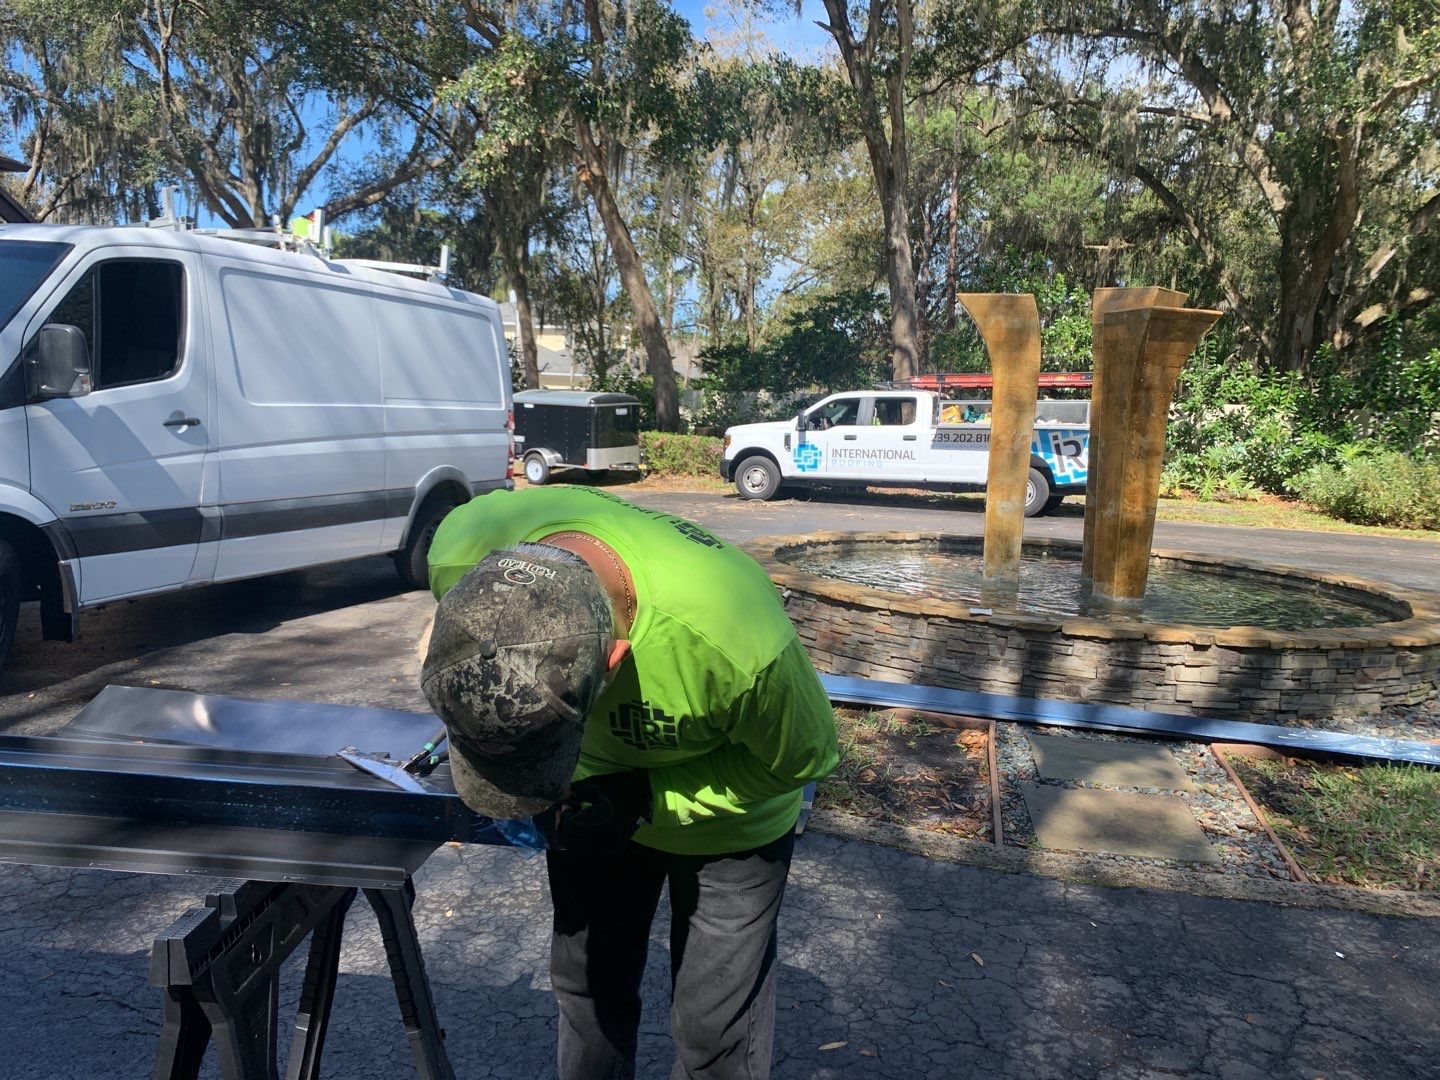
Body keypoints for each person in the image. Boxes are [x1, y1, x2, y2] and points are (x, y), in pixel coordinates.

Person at [419, 485, 839, 1080]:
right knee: (589, 994)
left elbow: (802, 759)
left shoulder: (734, 638)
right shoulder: (461, 551)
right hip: (586, 800)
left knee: (713, 1033)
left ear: (613, 662)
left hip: (732, 827)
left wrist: (646, 799)